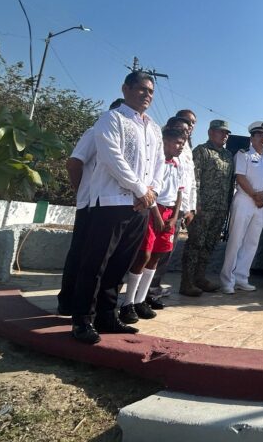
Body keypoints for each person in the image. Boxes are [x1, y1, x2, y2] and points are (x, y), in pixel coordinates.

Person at [70, 71, 164, 344]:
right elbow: (113, 159)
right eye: (142, 89)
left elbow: (159, 164)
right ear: (126, 89)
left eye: (151, 91)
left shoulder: (154, 128)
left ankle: (106, 315)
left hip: (139, 207)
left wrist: (151, 192)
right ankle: (82, 321)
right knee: (96, 264)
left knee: (120, 263)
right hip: (111, 202)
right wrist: (140, 189)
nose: (147, 95)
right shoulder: (111, 119)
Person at [56, 98, 123, 316]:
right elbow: (74, 163)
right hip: (89, 203)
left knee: (100, 257)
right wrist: (80, 192)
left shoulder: (123, 139)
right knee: (80, 253)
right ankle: (67, 301)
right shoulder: (94, 132)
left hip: (107, 204)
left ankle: (91, 304)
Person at [119, 127, 187, 323]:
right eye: (176, 142)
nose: (179, 147)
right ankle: (128, 302)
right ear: (164, 142)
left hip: (169, 214)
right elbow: (149, 190)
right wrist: (156, 215)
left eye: (182, 144)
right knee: (144, 254)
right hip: (151, 210)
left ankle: (141, 300)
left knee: (156, 256)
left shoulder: (177, 164)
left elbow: (179, 192)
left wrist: (174, 218)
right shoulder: (155, 162)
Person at [179, 120, 234, 297]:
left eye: (227, 133)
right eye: (221, 132)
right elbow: (195, 179)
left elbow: (230, 182)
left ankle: (200, 278)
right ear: (211, 132)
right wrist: (196, 204)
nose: (225, 135)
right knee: (195, 244)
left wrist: (227, 206)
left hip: (220, 208)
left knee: (209, 244)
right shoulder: (202, 151)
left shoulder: (227, 155)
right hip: (203, 208)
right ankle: (186, 282)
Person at [220, 121, 263, 293]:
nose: (262, 138)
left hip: (261, 202)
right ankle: (227, 280)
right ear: (251, 137)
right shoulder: (243, 155)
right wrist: (254, 195)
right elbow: (240, 177)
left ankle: (242, 277)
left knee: (252, 242)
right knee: (236, 240)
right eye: (259, 134)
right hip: (245, 200)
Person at [149, 109, 198, 302]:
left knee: (165, 252)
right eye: (185, 123)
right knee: (147, 252)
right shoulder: (161, 145)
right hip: (158, 205)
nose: (189, 127)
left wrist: (190, 208)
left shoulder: (186, 149)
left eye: (192, 124)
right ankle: (142, 292)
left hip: (178, 209)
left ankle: (153, 288)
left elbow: (190, 181)